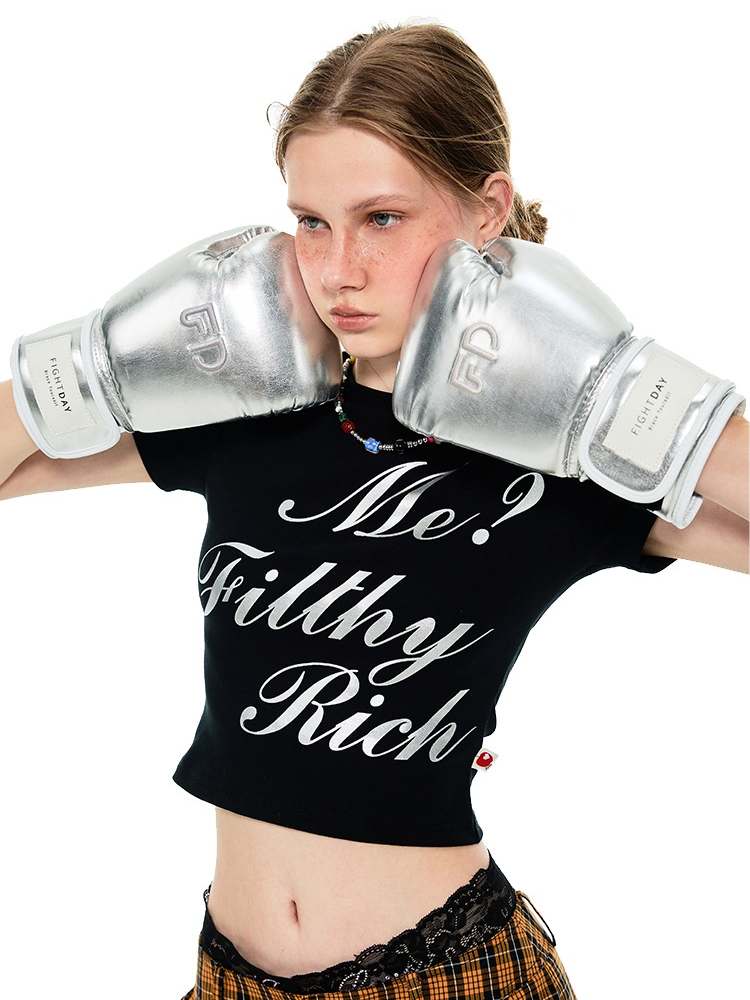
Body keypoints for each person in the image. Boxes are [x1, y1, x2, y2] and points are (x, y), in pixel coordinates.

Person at [2, 20, 745, 1000]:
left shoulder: (561, 449)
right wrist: (96, 361)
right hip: (228, 979)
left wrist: (629, 401)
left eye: (382, 218)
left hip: (451, 977)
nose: (338, 268)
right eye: (311, 221)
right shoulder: (248, 408)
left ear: (488, 208)